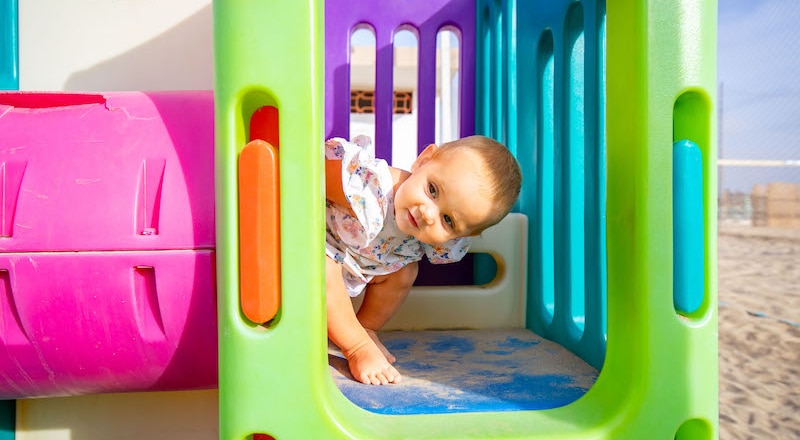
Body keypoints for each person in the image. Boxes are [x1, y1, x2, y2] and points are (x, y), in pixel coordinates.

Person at [325, 134, 522, 385]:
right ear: (423, 160)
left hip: (349, 265)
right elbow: (309, 178)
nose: (428, 214)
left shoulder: (430, 234)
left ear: (464, 235)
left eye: (448, 220)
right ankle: (355, 346)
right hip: (307, 252)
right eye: (432, 190)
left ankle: (365, 327)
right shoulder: (370, 187)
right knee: (322, 266)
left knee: (404, 272)